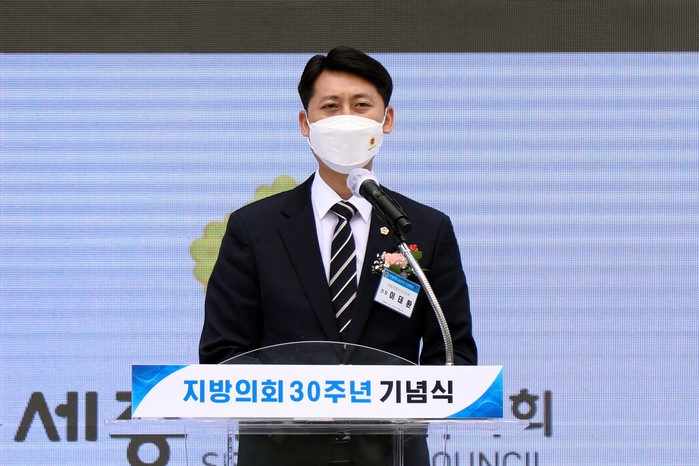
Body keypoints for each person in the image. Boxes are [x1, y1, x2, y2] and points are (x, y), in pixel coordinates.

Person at [199, 46, 477, 466]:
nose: (346, 118)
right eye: (330, 107)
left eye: (361, 105)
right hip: (282, 454)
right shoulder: (254, 228)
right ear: (305, 123)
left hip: (391, 454)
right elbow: (223, 354)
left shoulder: (423, 229)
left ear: (387, 120)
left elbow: (454, 357)